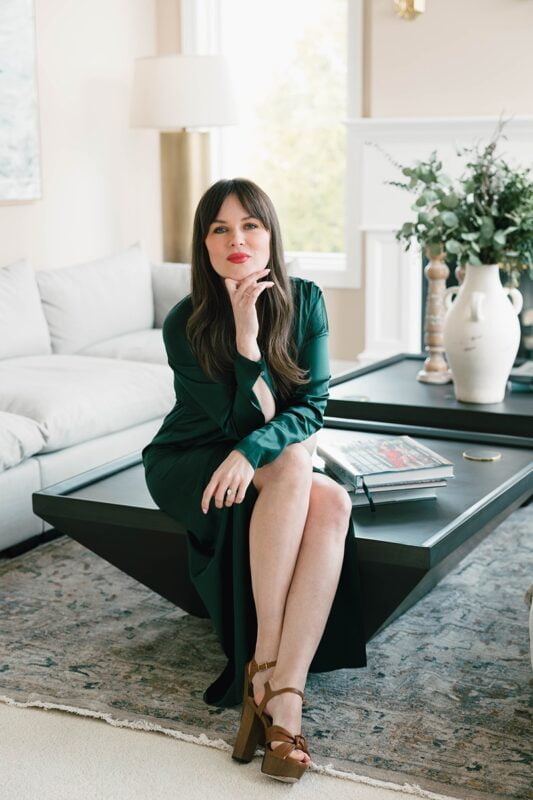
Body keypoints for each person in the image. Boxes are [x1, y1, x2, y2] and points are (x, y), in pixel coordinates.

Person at [142, 178, 366, 782]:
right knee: (294, 460)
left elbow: (312, 406)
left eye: (250, 225)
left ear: (271, 234)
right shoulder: (184, 321)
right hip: (190, 459)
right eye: (220, 228)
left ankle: (280, 688)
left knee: (334, 500)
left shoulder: (308, 300)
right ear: (204, 245)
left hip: (256, 454)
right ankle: (265, 661)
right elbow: (241, 420)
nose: (236, 239)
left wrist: (251, 451)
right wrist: (245, 340)